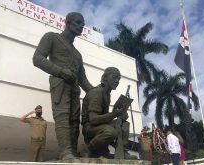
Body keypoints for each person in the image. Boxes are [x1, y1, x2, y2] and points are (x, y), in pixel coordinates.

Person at [33, 12, 93, 160]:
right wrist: (60, 71)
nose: (81, 27)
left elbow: (83, 80)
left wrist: (99, 91)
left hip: (74, 89)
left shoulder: (78, 55)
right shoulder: (52, 37)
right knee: (62, 117)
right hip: (60, 84)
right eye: (78, 23)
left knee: (74, 121)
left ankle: (71, 152)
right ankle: (65, 152)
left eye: (83, 25)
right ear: (68, 22)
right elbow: (38, 58)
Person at [81, 67, 136, 159]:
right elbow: (93, 120)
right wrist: (114, 114)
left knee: (124, 124)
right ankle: (87, 149)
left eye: (118, 79)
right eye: (114, 77)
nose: (117, 81)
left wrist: (120, 114)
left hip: (99, 125)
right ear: (105, 77)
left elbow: (104, 117)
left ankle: (123, 151)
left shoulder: (107, 94)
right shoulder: (97, 92)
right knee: (111, 132)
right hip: (89, 128)